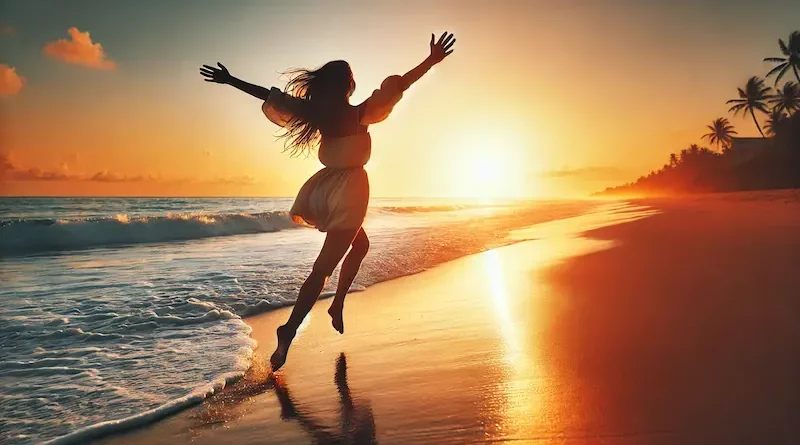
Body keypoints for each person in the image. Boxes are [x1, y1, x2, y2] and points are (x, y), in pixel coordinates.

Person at [199, 32, 456, 371]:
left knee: (360, 246)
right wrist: (431, 61)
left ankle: (336, 304)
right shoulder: (359, 113)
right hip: (350, 190)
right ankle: (289, 329)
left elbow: (272, 96)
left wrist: (231, 80)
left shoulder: (317, 113)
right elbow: (399, 86)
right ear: (347, 85)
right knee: (322, 268)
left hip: (326, 186)